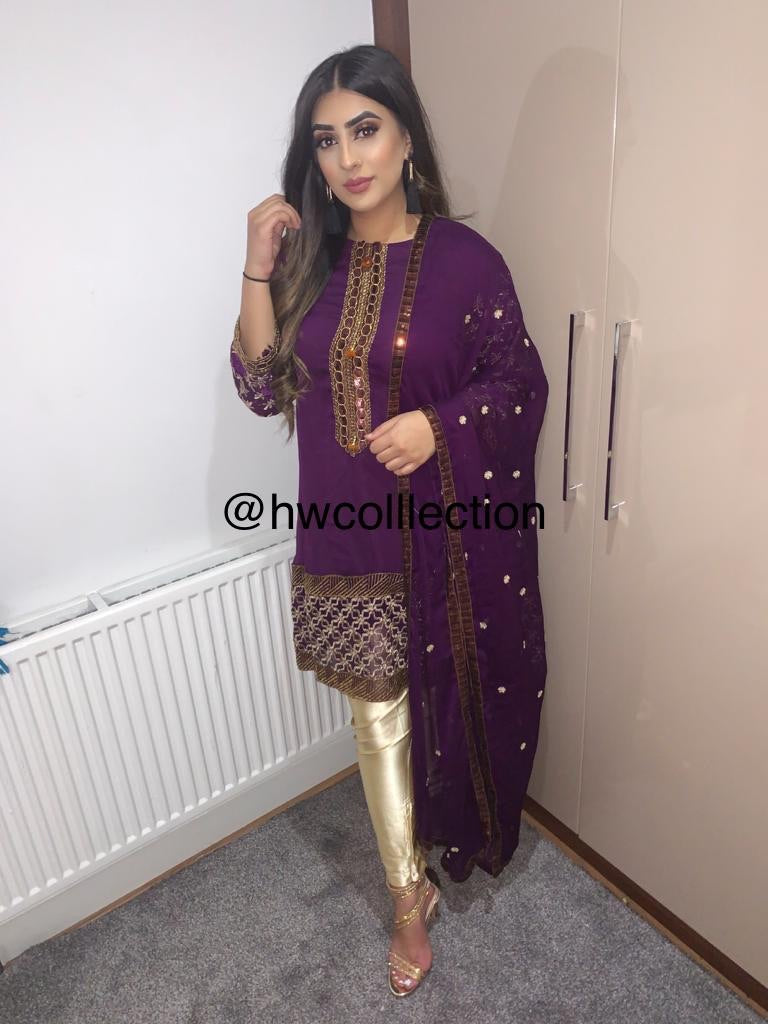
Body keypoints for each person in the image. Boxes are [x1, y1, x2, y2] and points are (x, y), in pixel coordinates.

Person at [229, 44, 549, 997]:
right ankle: (408, 897)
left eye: (364, 130)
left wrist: (438, 426)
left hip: (451, 542)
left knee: (449, 697)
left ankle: (452, 836)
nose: (346, 158)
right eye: (326, 141)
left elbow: (520, 382)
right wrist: (255, 269)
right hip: (350, 534)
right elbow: (260, 386)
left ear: (407, 137)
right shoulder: (308, 262)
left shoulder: (468, 263)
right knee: (378, 724)